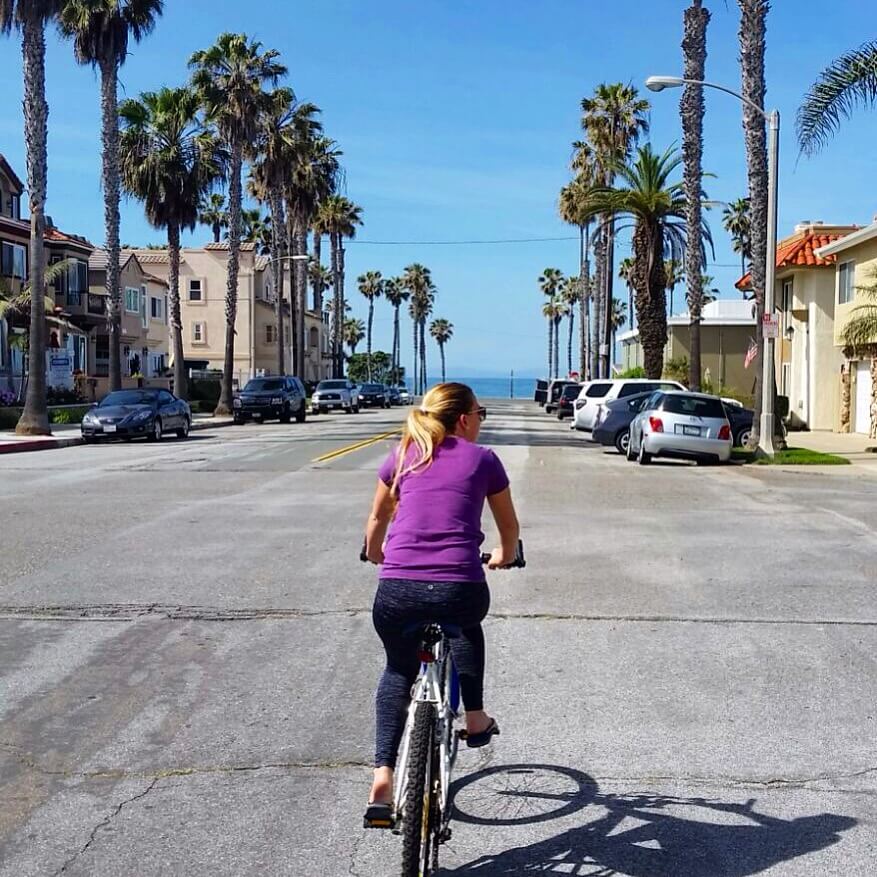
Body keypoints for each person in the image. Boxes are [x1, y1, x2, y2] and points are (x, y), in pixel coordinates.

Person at [363, 382, 520, 825]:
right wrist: (505, 556)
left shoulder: (402, 454)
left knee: (398, 669)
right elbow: (508, 526)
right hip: (459, 586)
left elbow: (378, 519)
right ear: (465, 419)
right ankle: (474, 718)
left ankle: (382, 777)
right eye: (480, 414)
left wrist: (376, 553)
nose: (481, 422)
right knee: (466, 626)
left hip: (398, 589)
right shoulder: (484, 460)